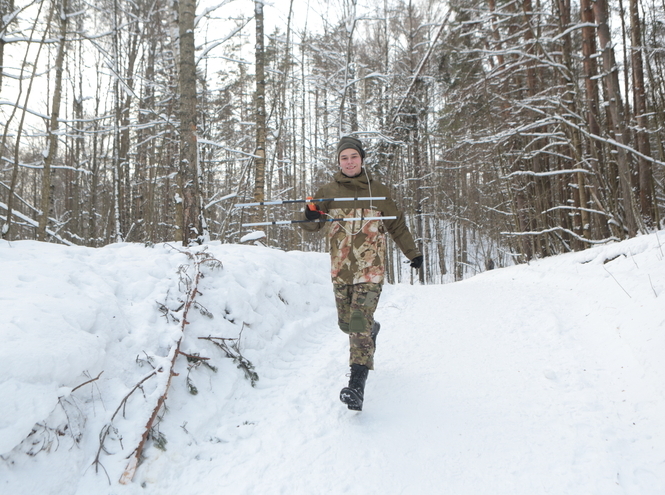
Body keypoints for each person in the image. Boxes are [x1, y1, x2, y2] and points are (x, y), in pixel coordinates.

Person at [300, 136, 423, 411]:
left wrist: (412, 253)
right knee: (348, 325)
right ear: (339, 162)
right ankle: (371, 331)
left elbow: (397, 225)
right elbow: (311, 225)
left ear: (362, 159)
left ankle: (356, 385)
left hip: (371, 271)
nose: (349, 161)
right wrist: (309, 216)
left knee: (357, 323)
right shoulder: (327, 192)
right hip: (341, 271)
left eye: (353, 156)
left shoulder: (378, 191)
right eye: (344, 157)